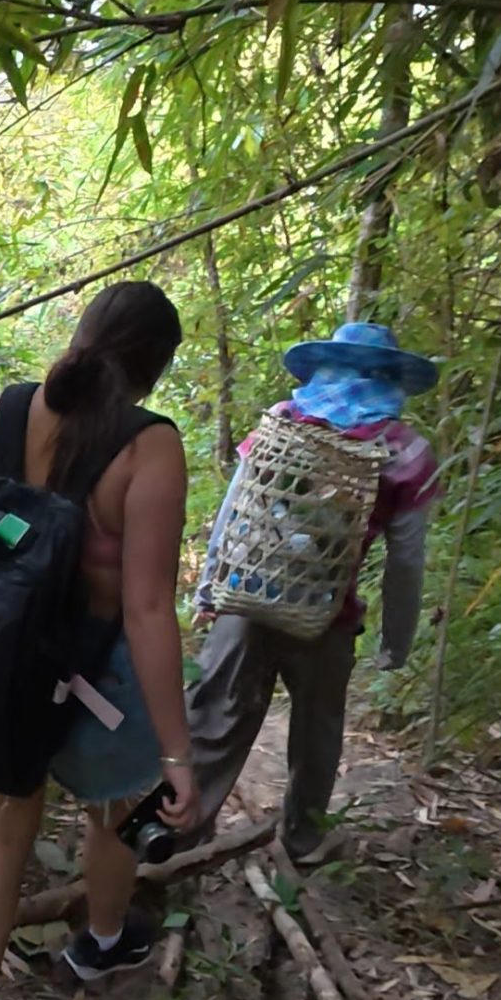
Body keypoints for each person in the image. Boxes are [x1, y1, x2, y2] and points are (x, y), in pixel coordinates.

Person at [0, 281, 200, 1000]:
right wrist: (178, 757)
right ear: (156, 368)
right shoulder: (149, 447)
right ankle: (102, 943)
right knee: (116, 811)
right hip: (95, 676)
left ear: (83, 335)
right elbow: (147, 610)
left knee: (1, 826)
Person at [186, 321, 440, 862]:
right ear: (391, 378)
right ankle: (302, 840)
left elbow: (237, 512)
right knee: (317, 729)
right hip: (327, 613)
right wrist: (396, 640)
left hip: (246, 595)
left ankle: (178, 834)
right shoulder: (406, 449)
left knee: (213, 717)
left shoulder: (283, 421)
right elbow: (407, 559)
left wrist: (211, 589)